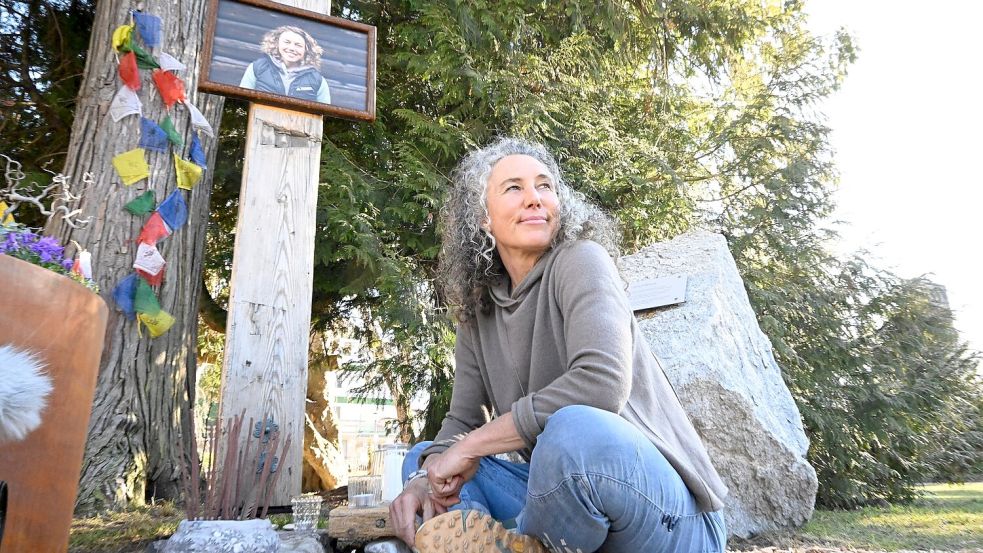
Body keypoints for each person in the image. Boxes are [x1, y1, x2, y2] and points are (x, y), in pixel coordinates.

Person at [389, 138, 729, 552]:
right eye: (514, 188)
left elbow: (600, 384)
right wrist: (422, 480)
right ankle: (493, 543)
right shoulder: (479, 308)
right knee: (426, 457)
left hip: (669, 519)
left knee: (570, 432)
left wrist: (472, 446)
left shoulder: (582, 260)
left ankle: (524, 540)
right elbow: (462, 420)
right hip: (570, 517)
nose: (534, 198)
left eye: (544, 186)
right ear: (482, 218)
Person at [239, 25, 331, 104]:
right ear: (276, 44)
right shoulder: (257, 68)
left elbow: (324, 113)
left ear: (306, 50)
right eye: (287, 42)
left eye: (298, 45)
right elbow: (242, 101)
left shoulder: (318, 80)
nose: (292, 48)